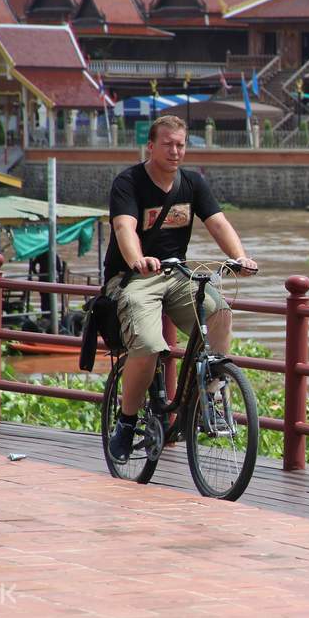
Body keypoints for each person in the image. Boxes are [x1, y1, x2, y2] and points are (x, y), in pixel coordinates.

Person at [105, 115, 258, 462]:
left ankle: (210, 395)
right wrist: (137, 259)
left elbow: (217, 222)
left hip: (176, 274)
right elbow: (123, 227)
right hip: (134, 277)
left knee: (219, 312)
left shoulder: (192, 184)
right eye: (168, 144)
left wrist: (239, 257)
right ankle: (127, 423)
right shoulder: (128, 182)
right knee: (147, 345)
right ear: (150, 145)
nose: (175, 151)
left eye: (181, 144)